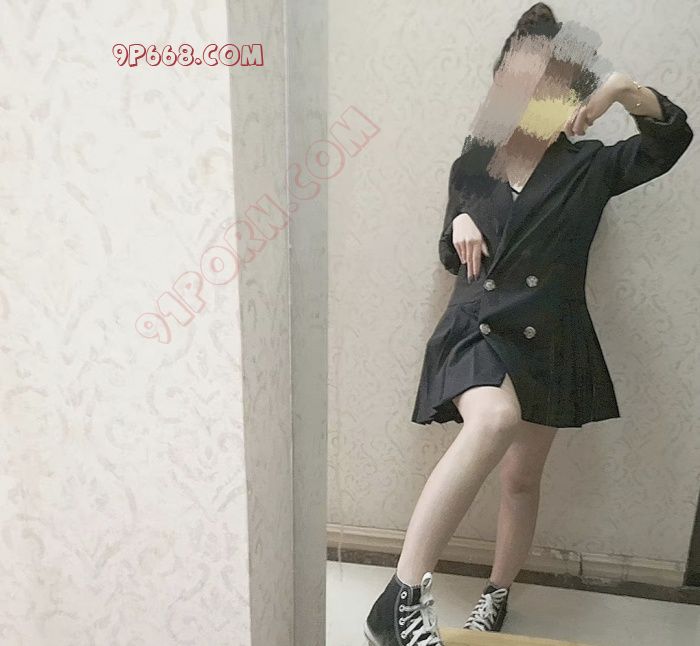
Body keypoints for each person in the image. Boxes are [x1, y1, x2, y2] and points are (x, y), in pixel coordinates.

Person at [363, 4, 694, 645]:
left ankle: (496, 593)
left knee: (521, 478)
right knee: (493, 420)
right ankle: (399, 599)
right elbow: (451, 252)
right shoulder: (474, 162)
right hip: (476, 325)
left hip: (549, 333)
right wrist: (461, 220)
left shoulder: (590, 164)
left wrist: (621, 89)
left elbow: (669, 142)